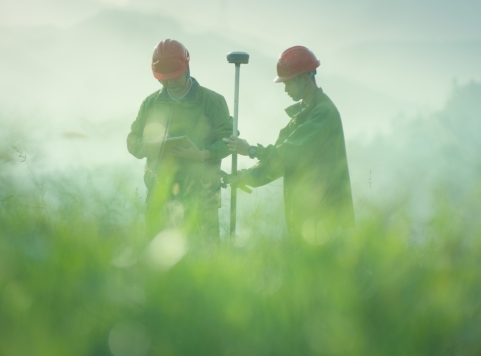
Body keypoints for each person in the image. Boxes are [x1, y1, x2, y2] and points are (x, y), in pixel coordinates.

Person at [224, 46, 354, 245]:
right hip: (305, 216)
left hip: (326, 215)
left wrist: (251, 150)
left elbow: (288, 154)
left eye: (288, 83)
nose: (285, 89)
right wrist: (246, 176)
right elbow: (281, 162)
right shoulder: (302, 115)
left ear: (304, 79)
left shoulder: (323, 114)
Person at [127, 39, 233, 243]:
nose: (169, 83)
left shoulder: (211, 101)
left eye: (174, 77)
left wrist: (203, 154)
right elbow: (133, 141)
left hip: (202, 198)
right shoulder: (151, 103)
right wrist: (154, 147)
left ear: (187, 68)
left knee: (204, 261)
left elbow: (228, 140)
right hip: (159, 197)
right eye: (163, 79)